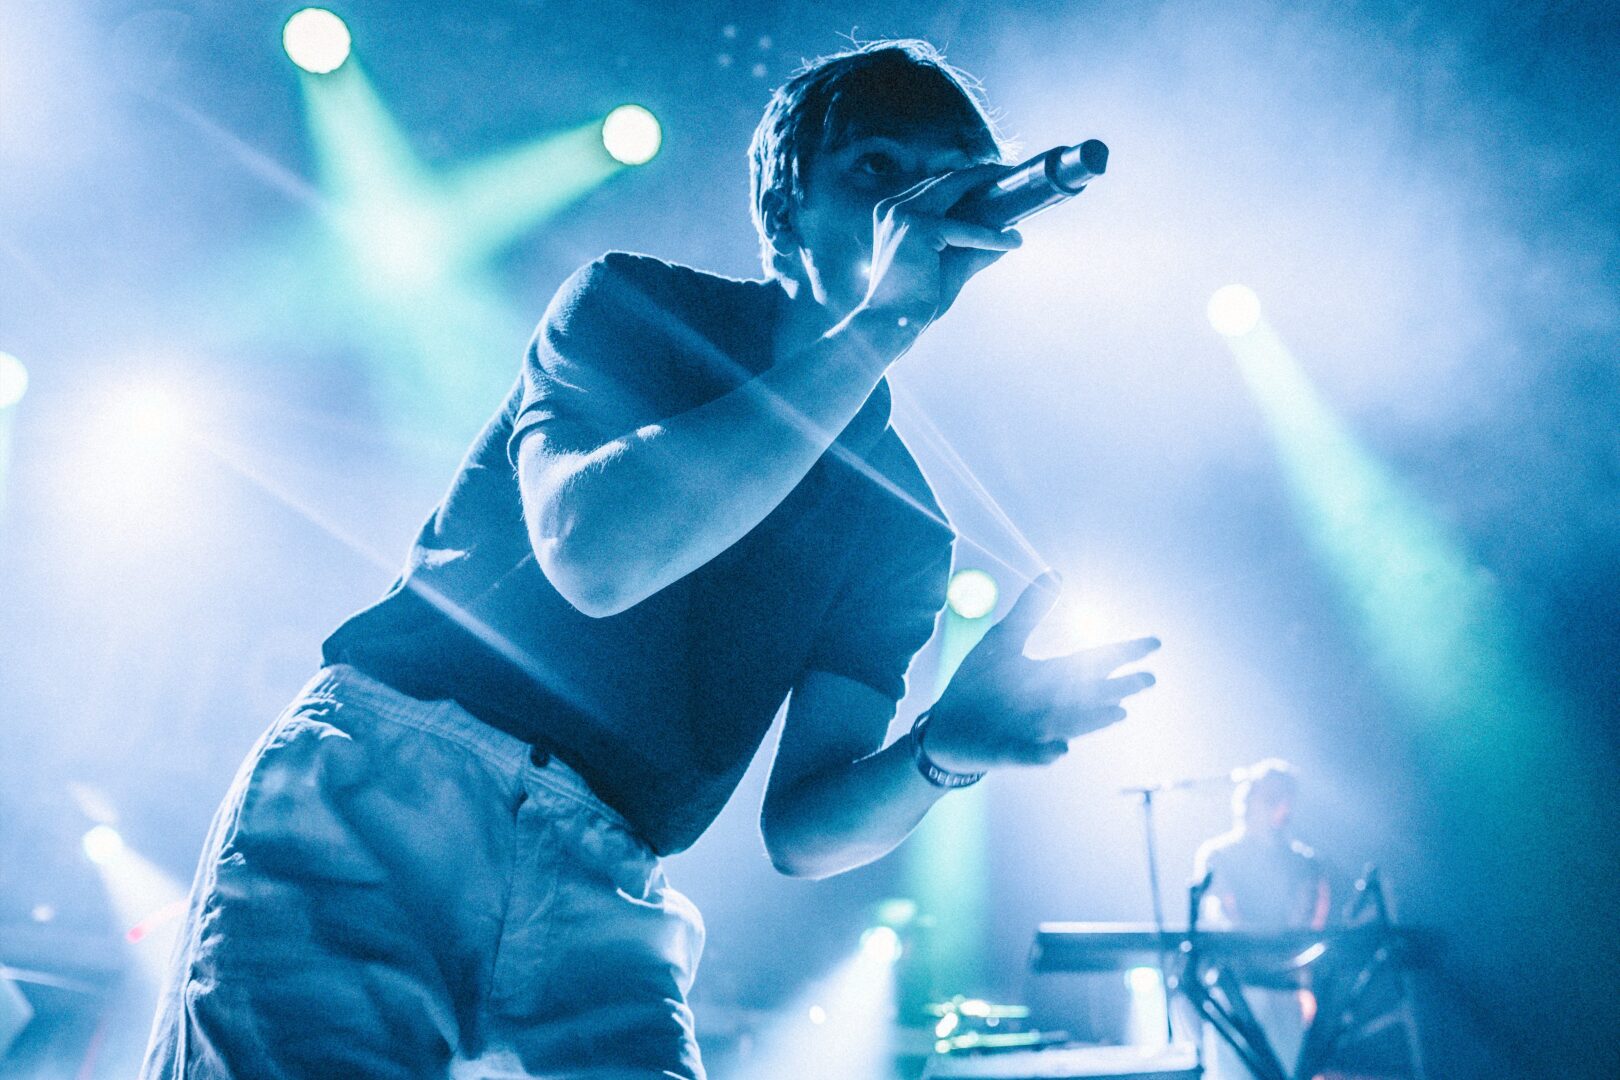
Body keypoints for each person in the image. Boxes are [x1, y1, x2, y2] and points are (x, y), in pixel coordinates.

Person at [142, 40, 1158, 1079]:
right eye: (877, 167)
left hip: (605, 872)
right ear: (784, 208)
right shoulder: (635, 306)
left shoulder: (903, 525)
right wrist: (881, 323)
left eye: (953, 182)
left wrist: (944, 751)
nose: (916, 205)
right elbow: (596, 558)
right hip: (392, 790)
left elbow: (805, 831)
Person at [1193, 759, 1331, 1078]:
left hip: (1287, 992)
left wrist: (1300, 978)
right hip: (1235, 991)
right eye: (1256, 793)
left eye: (1274, 796)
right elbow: (1219, 918)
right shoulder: (1218, 855)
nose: (1255, 802)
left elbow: (1310, 926)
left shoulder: (1305, 863)